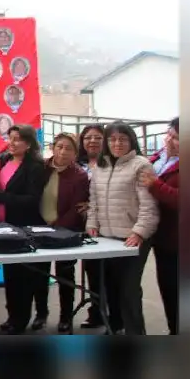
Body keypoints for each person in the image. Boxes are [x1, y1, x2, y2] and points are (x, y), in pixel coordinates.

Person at [85, 121, 159, 335]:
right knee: (111, 288)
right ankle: (114, 327)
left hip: (132, 238)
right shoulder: (100, 165)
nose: (117, 143)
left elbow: (149, 205)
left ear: (131, 141)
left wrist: (139, 232)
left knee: (128, 290)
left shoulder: (141, 165)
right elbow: (94, 200)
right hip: (107, 238)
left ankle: (136, 332)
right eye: (113, 139)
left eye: (123, 139)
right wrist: (92, 224)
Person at [0, 124, 47, 334]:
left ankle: (22, 320)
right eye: (10, 138)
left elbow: (31, 200)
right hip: (5, 227)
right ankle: (13, 316)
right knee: (10, 275)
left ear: (28, 143)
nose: (12, 142)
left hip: (25, 228)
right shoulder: (3, 160)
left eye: (17, 139)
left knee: (24, 277)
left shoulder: (35, 167)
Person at [33, 133, 89, 333]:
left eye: (69, 148)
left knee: (65, 275)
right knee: (39, 275)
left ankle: (66, 317)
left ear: (75, 152)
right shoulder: (42, 169)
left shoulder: (80, 175)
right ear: (53, 147)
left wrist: (57, 228)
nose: (63, 152)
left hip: (65, 232)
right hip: (39, 229)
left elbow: (76, 207)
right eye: (59, 147)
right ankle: (41, 314)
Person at [140, 117, 179, 334]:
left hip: (181, 240)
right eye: (169, 135)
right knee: (167, 289)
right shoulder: (157, 157)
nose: (170, 141)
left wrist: (156, 186)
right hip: (160, 236)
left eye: (177, 138)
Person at [76, 123, 106, 328]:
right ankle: (95, 313)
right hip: (81, 224)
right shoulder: (77, 164)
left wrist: (93, 204)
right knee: (93, 272)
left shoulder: (111, 163)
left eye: (97, 137)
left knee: (109, 273)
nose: (92, 141)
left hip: (107, 223)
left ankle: (113, 316)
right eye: (88, 137)